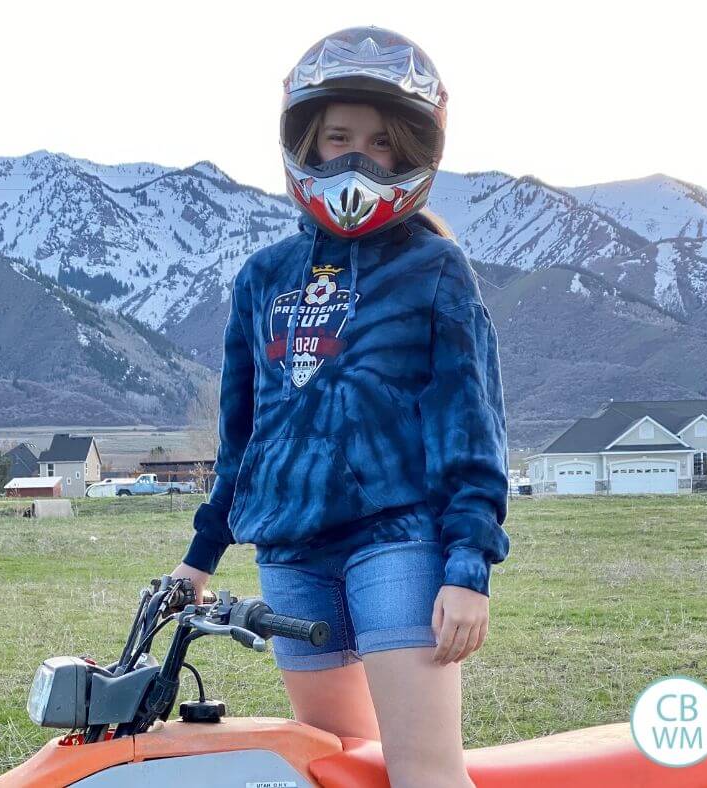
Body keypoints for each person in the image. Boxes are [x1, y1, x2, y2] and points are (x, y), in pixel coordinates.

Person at [171, 26, 510, 788]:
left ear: (412, 151)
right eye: (338, 137)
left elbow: (472, 431)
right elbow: (242, 438)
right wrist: (200, 561)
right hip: (291, 556)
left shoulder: (435, 267)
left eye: (382, 143)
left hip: (394, 542)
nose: (358, 158)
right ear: (307, 144)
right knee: (341, 773)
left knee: (424, 775)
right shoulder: (264, 276)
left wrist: (467, 568)